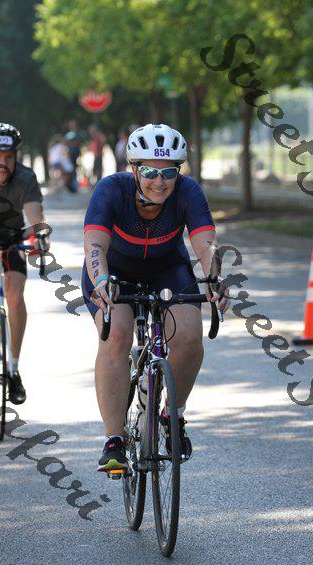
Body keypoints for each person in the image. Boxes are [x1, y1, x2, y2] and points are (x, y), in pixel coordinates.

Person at [82, 123, 230, 471]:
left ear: (179, 171)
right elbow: (95, 246)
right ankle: (114, 440)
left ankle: (171, 415)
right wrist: (101, 281)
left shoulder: (188, 192)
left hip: (167, 268)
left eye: (169, 172)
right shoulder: (111, 190)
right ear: (134, 169)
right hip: (114, 272)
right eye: (149, 171)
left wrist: (215, 279)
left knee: (189, 337)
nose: (159, 181)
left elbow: (207, 245)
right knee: (116, 336)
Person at [0, 123, 50, 403]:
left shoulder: (25, 178)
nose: (2, 163)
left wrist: (40, 236)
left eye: (8, 157)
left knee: (15, 297)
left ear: (16, 157)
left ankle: (13, 370)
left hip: (10, 236)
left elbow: (35, 215)